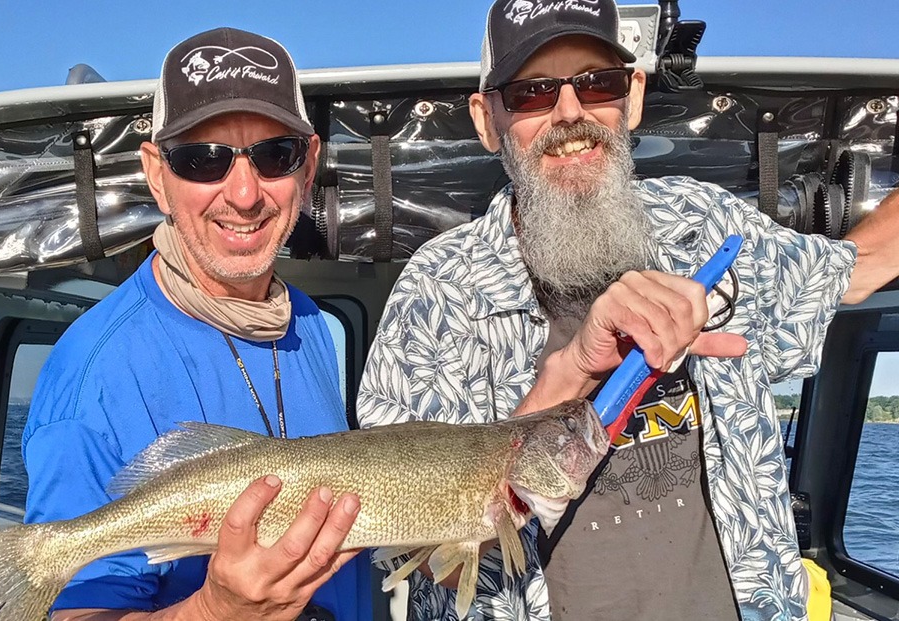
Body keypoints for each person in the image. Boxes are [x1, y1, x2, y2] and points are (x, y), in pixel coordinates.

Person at [356, 1, 899, 620]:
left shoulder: (705, 222)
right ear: (487, 120)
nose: (570, 113)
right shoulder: (437, 289)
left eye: (597, 83)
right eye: (532, 92)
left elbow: (856, 271)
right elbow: (415, 543)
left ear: (632, 97)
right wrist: (572, 372)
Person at [23, 27, 370, 621]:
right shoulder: (95, 372)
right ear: (157, 174)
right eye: (202, 159)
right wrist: (214, 611)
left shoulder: (307, 322)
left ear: (308, 168)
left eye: (274, 155)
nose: (242, 193)